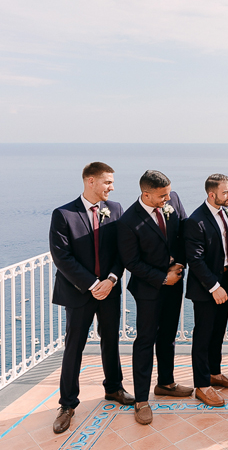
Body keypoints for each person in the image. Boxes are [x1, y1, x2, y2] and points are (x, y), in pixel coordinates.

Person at [48, 162, 135, 434]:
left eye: (112, 182)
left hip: (109, 290)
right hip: (78, 293)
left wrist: (110, 280)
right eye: (107, 182)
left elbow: (123, 251)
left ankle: (114, 388)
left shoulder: (117, 210)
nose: (112, 187)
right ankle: (67, 404)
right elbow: (61, 256)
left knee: (111, 339)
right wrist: (92, 284)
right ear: (90, 181)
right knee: (74, 346)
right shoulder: (63, 214)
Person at [116, 170, 191, 426]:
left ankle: (166, 383)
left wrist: (178, 265)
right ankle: (141, 400)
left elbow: (184, 235)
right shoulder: (128, 221)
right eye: (161, 196)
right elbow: (131, 262)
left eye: (169, 193)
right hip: (149, 288)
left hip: (175, 282)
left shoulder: (174, 199)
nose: (167, 199)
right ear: (145, 194)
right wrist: (162, 278)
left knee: (168, 335)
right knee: (146, 340)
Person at [185, 174, 228, 408]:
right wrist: (214, 287)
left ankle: (215, 372)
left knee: (219, 331)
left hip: (225, 279)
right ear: (211, 194)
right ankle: (202, 385)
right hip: (207, 287)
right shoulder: (196, 221)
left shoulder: (225, 213)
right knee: (203, 335)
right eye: (226, 192)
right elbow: (195, 261)